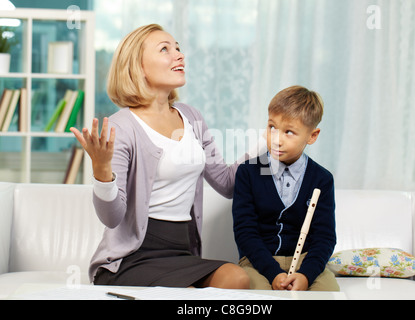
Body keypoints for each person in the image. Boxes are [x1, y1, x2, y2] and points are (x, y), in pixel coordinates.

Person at [70, 24, 251, 289]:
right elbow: (112, 218)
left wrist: (268, 142)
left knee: (237, 278)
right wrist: (101, 168)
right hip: (130, 258)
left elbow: (226, 183)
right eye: (165, 49)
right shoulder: (123, 126)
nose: (179, 55)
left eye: (177, 47)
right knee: (184, 296)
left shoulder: (191, 117)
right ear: (138, 67)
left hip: (181, 252)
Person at [232, 85, 340, 291]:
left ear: (312, 136)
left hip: (305, 262)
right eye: (272, 127)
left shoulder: (322, 179)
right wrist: (273, 273)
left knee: (329, 294)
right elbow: (245, 233)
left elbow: (324, 237)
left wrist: (306, 276)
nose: (276, 139)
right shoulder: (248, 172)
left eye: (289, 132)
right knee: (256, 294)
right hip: (258, 262)